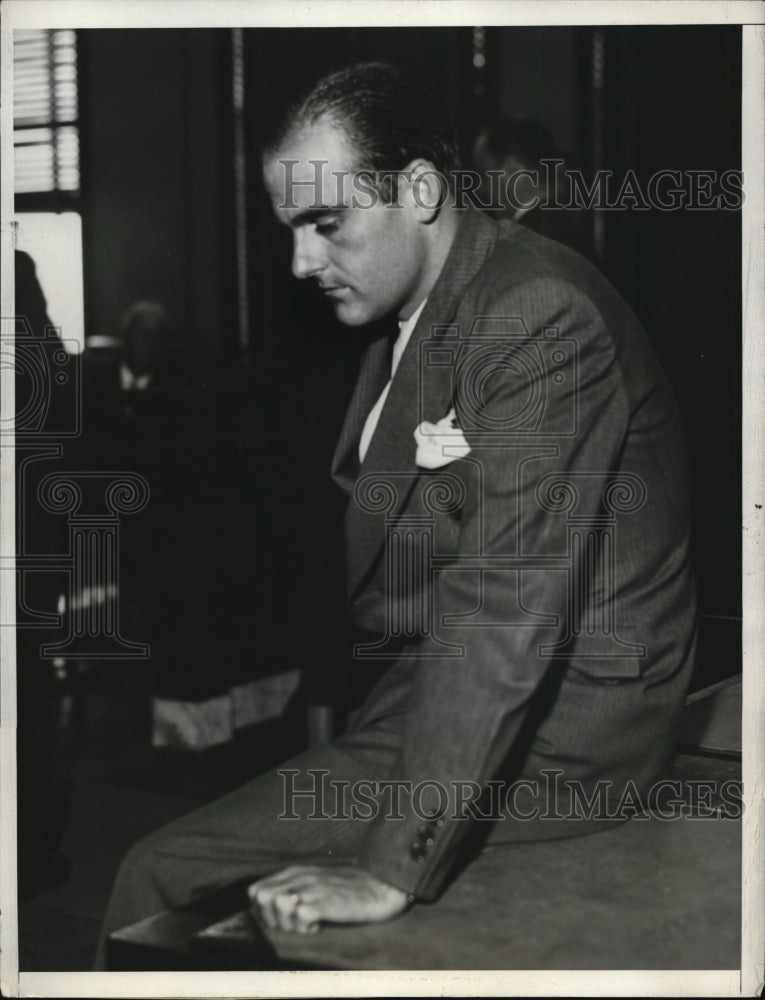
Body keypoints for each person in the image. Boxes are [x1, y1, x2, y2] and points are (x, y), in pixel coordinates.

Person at [96, 62, 695, 958]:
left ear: (419, 189)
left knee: (159, 869)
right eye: (291, 230)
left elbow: (501, 603)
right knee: (174, 866)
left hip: (564, 740)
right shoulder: (436, 303)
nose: (302, 262)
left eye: (325, 223)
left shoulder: (536, 313)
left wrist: (387, 867)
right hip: (442, 699)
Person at [472, 116, 595, 260]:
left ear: (512, 168)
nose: (480, 188)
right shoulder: (573, 230)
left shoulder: (520, 243)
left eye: (485, 175)